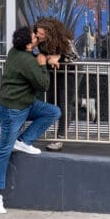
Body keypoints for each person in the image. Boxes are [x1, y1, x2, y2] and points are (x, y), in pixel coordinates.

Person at [0, 25, 61, 214]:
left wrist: (50, 57)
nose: (37, 37)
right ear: (28, 45)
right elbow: (43, 85)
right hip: (12, 110)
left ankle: (23, 140)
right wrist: (43, 65)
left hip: (24, 104)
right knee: (4, 150)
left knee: (52, 112)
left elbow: (38, 52)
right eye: (34, 37)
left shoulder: (15, 51)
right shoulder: (27, 61)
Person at [34, 17, 78, 150]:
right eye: (37, 33)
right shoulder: (40, 41)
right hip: (55, 72)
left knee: (64, 103)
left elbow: (74, 56)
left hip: (70, 72)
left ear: (50, 33)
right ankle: (84, 103)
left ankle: (60, 138)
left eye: (41, 34)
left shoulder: (64, 40)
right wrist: (48, 58)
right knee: (53, 100)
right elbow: (40, 54)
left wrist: (58, 56)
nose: (39, 36)